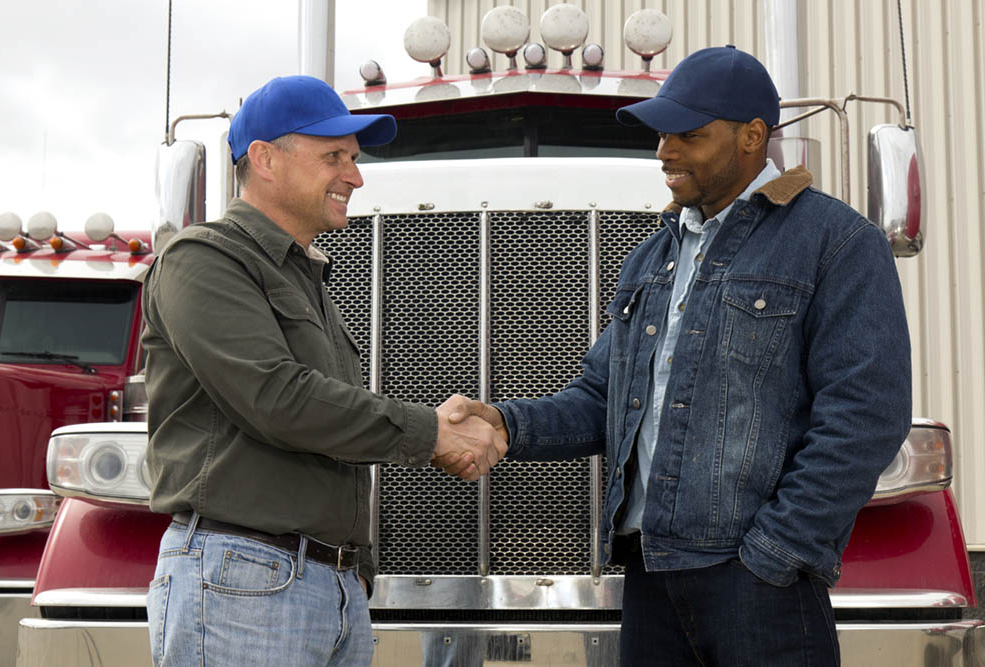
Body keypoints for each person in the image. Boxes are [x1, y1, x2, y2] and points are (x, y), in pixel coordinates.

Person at [439, 45, 911, 666]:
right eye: (662, 135)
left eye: (688, 134)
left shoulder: (836, 241)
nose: (665, 152)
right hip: (651, 576)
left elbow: (865, 414)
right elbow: (603, 400)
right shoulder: (653, 256)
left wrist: (776, 551)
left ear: (752, 136)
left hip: (758, 584)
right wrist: (506, 423)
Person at [141, 75, 505, 667]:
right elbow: (276, 398)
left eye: (355, 160)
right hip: (243, 580)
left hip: (326, 588)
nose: (355, 177)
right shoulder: (202, 259)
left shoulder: (304, 279)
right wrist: (433, 432)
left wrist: (352, 573)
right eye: (333, 156)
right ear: (263, 158)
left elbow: (327, 436)